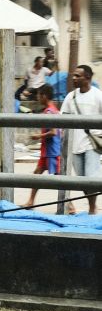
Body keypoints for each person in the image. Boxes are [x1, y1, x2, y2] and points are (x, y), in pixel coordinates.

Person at [60, 64, 102, 216]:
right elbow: (63, 117)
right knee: (82, 178)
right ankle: (92, 204)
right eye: (74, 75)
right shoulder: (71, 97)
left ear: (88, 78)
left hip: (92, 144)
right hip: (75, 144)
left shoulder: (98, 95)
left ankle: (92, 207)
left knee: (91, 177)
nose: (74, 78)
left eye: (78, 76)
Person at [25, 83, 60, 209]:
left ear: (44, 96)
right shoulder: (52, 109)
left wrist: (38, 136)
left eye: (39, 95)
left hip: (52, 151)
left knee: (59, 179)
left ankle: (70, 206)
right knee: (37, 174)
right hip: (47, 151)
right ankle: (30, 202)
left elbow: (53, 132)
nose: (38, 98)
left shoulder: (49, 112)